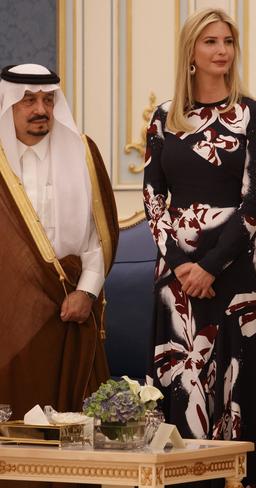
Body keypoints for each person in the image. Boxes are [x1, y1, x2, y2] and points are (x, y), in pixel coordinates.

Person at [142, 8, 256, 488]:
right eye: (211, 42)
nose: (222, 51)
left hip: (233, 275)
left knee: (234, 393)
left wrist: (211, 266)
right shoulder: (163, 117)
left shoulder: (252, 115)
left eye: (228, 42)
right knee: (184, 385)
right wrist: (180, 267)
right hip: (176, 282)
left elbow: (253, 203)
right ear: (191, 52)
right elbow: (153, 198)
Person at [0, 63, 118, 486]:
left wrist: (86, 293)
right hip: (8, 320)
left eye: (47, 100)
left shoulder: (81, 153)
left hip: (71, 315)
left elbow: (97, 240)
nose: (40, 109)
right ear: (8, 103)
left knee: (71, 444)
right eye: (28, 100)